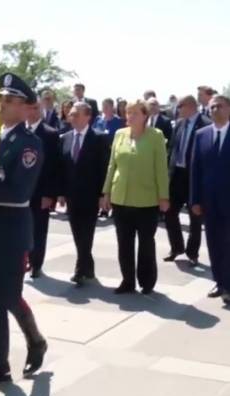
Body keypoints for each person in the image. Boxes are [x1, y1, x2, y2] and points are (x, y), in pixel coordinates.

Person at [0, 72, 47, 390]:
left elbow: (17, 191)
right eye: (2, 99)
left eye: (11, 101)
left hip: (13, 230)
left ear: (26, 108)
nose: (3, 105)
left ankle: (35, 339)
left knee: (10, 296)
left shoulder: (29, 145)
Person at [102, 100, 169, 294]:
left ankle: (147, 281)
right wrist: (106, 192)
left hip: (147, 200)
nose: (129, 116)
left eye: (134, 113)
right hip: (120, 198)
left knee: (146, 243)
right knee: (124, 242)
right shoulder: (119, 134)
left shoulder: (156, 136)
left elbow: (161, 169)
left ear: (145, 116)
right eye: (127, 113)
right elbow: (111, 165)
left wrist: (163, 196)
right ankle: (127, 280)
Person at [59, 102, 111, 287]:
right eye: (70, 114)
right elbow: (62, 169)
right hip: (72, 196)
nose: (71, 117)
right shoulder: (64, 138)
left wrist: (103, 194)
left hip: (90, 196)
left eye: (76, 114)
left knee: (86, 233)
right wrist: (61, 193)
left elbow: (104, 168)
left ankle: (80, 270)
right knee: (76, 233)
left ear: (88, 116)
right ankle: (88, 266)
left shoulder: (98, 138)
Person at [191, 95, 230, 304]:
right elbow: (195, 170)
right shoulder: (201, 135)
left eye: (220, 106)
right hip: (209, 201)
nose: (215, 110)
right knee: (214, 243)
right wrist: (194, 200)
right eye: (212, 107)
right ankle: (219, 281)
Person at [163, 95, 211, 267]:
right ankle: (177, 247)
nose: (177, 109)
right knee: (169, 213)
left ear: (190, 106)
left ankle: (192, 253)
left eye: (180, 106)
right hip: (177, 177)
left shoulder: (206, 124)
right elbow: (172, 150)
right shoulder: (179, 124)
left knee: (195, 218)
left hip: (194, 178)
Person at [26, 97, 62, 278]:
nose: (30, 111)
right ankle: (23, 260)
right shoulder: (20, 130)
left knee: (39, 230)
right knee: (21, 228)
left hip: (41, 192)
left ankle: (36, 264)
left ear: (39, 110)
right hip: (20, 192)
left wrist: (50, 194)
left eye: (33, 108)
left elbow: (54, 167)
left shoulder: (50, 134)